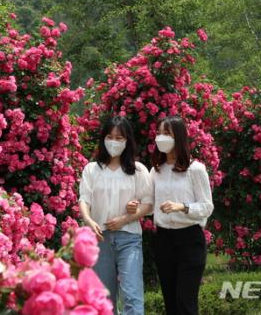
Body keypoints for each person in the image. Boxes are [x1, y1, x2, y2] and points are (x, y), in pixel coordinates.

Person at [128, 116, 213, 315]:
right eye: (158, 133)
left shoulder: (195, 170)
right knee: (171, 303)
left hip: (190, 240)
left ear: (179, 137)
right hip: (164, 240)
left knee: (186, 303)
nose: (161, 137)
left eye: (167, 133)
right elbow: (150, 206)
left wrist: (181, 207)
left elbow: (207, 207)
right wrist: (136, 206)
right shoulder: (156, 171)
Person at [79, 116, 153, 315]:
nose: (114, 141)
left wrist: (126, 217)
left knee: (132, 295)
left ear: (127, 140)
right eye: (110, 136)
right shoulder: (92, 170)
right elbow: (84, 200)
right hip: (100, 238)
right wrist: (89, 220)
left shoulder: (138, 171)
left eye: (119, 138)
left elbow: (148, 205)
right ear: (103, 139)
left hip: (129, 238)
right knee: (105, 298)